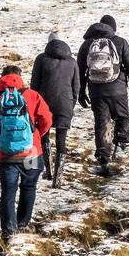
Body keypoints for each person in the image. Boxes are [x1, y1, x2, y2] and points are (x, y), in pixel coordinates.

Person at [0, 65, 52, 242]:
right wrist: (36, 137)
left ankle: (9, 232)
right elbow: (47, 120)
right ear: (20, 77)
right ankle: (23, 224)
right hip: (31, 152)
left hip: (6, 155)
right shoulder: (33, 95)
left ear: (1, 78)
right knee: (29, 187)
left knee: (8, 193)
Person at [76, 14, 129, 176]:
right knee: (122, 117)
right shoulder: (120, 42)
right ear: (113, 28)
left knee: (102, 123)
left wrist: (81, 91)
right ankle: (120, 146)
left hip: (96, 90)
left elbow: (80, 70)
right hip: (117, 89)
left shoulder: (87, 44)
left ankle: (104, 159)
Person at [29, 33, 79, 188]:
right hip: (65, 103)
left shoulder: (41, 59)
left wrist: (35, 105)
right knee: (61, 140)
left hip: (44, 103)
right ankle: (58, 179)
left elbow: (34, 85)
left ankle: (49, 171)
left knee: (44, 135)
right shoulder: (72, 61)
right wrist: (71, 103)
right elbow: (76, 87)